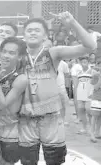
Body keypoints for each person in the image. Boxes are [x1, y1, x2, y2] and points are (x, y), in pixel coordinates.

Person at [18, 11, 97, 165]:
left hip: (50, 117)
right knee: (28, 161)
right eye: (29, 30)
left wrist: (73, 23)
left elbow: (90, 46)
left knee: (54, 160)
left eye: (37, 30)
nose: (33, 32)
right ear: (24, 35)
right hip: (26, 117)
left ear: (45, 36)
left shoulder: (54, 53)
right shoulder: (16, 54)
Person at [0, 37, 28, 165]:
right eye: (4, 51)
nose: (5, 56)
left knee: (5, 162)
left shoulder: (21, 78)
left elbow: (2, 105)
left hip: (9, 128)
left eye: (11, 53)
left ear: (20, 57)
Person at [75, 56, 97, 135]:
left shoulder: (93, 72)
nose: (84, 63)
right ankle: (84, 128)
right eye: (82, 62)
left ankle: (92, 129)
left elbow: (96, 83)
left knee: (89, 111)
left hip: (89, 96)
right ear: (80, 63)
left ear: (88, 62)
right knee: (81, 111)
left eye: (85, 62)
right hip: (80, 95)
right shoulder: (79, 73)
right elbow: (77, 84)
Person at [89, 56, 101, 143]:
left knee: (99, 117)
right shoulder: (96, 75)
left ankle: (97, 132)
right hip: (96, 98)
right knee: (94, 116)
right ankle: (92, 134)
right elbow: (96, 87)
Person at [57, 59, 71, 125]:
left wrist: (67, 88)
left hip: (61, 86)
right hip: (50, 86)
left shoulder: (63, 63)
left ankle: (62, 119)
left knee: (62, 104)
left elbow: (67, 76)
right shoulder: (48, 62)